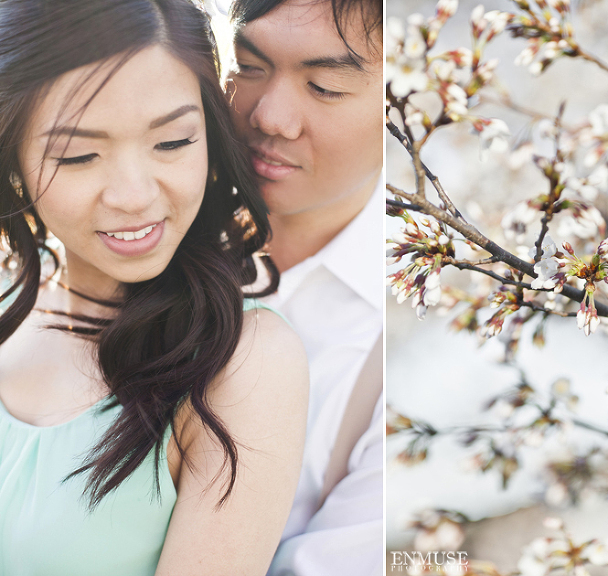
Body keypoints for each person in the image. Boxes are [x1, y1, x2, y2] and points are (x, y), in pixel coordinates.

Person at [0, 1, 308, 574]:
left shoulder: (240, 363)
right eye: (79, 155)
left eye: (172, 143)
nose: (135, 195)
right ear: (12, 155)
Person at [226, 0, 383, 574]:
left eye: (322, 87)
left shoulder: (395, 339)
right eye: (248, 65)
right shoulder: (133, 222)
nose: (270, 117)